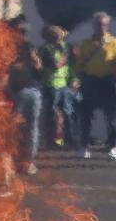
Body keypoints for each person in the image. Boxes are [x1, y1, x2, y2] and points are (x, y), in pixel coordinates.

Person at [74, 11, 116, 160]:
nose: (100, 27)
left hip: (107, 83)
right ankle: (84, 146)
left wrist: (115, 79)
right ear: (94, 25)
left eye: (103, 24)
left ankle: (114, 146)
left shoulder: (114, 42)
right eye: (98, 24)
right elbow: (80, 64)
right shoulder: (87, 43)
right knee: (85, 117)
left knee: (111, 118)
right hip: (90, 83)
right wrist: (80, 77)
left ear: (107, 26)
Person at [6, 17, 43, 174]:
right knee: (13, 128)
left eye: (24, 31)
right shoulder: (7, 47)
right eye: (20, 31)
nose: (23, 34)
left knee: (31, 128)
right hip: (16, 93)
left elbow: (38, 72)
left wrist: (36, 63)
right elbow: (5, 70)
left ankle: (28, 162)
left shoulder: (29, 47)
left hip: (32, 92)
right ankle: (12, 161)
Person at [37, 25, 76, 148]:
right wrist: (66, 54)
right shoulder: (45, 49)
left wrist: (74, 78)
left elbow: (72, 64)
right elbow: (55, 65)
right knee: (51, 114)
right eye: (57, 34)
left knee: (68, 113)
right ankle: (50, 141)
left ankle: (70, 140)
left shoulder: (65, 47)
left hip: (64, 85)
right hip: (51, 85)